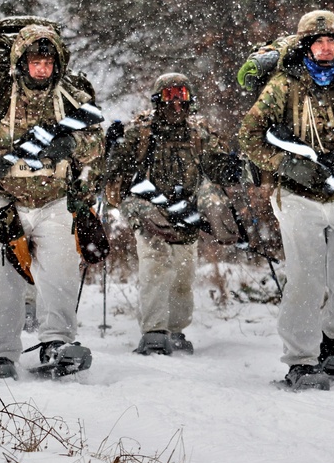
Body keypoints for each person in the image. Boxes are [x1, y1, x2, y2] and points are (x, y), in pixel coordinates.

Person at [237, 9, 334, 390]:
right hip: (297, 197)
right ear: (307, 45)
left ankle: (329, 338)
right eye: (318, 42)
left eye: (332, 42)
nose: (326, 49)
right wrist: (289, 166)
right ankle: (300, 360)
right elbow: (249, 136)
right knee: (306, 279)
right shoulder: (284, 85)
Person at [0, 23, 104, 381]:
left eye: (48, 62)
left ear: (58, 64)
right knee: (5, 274)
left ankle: (57, 343)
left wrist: (73, 145)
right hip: (2, 197)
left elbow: (97, 141)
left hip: (55, 198)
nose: (42, 68)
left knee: (61, 271)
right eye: (35, 61)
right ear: (22, 62)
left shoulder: (72, 100)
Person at [104, 73, 243, 356]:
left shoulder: (198, 134)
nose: (176, 104)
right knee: (155, 263)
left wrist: (231, 165)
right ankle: (154, 331)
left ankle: (176, 329)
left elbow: (216, 169)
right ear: (158, 101)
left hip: (185, 210)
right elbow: (112, 171)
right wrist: (112, 147)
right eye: (169, 97)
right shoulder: (140, 132)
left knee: (183, 271)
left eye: (182, 97)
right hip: (146, 205)